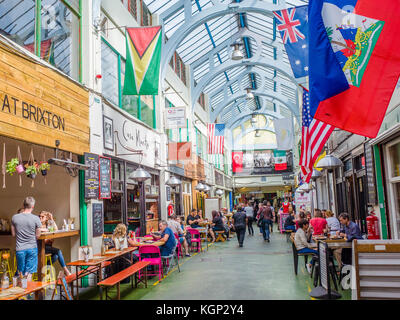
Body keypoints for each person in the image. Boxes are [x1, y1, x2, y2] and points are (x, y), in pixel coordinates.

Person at [11, 197, 41, 280]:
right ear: (33, 206)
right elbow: (38, 235)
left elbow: (13, 234)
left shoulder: (15, 217)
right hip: (32, 248)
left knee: (21, 272)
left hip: (20, 249)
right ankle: (28, 292)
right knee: (28, 274)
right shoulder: (36, 218)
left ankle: (23, 292)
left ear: (23, 205)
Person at [39, 211, 71, 276]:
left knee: (56, 256)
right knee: (58, 251)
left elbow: (55, 229)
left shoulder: (48, 224)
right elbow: (39, 230)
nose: (40, 218)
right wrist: (48, 230)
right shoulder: (37, 224)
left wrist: (52, 219)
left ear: (46, 218)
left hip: (47, 246)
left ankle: (45, 267)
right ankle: (66, 270)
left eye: (42, 216)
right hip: (40, 247)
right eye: (39, 216)